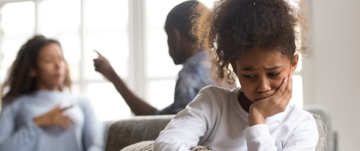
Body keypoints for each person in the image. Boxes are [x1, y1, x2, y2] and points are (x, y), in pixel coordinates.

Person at [154, 0, 319, 150]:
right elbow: (166, 145)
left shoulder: (302, 125)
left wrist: (257, 118)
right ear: (234, 67)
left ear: (293, 64)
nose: (263, 86)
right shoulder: (213, 104)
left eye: (273, 73)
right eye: (249, 75)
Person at [94, 1, 216, 115]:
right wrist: (113, 77)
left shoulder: (190, 77)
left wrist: (114, 78)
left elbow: (173, 128)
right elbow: (159, 117)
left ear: (175, 36)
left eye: (168, 37)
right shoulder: (220, 70)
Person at [0, 35, 105, 151]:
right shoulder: (14, 104)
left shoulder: (82, 102)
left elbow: (96, 145)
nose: (58, 66)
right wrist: (37, 123)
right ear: (32, 69)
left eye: (61, 59)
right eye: (48, 61)